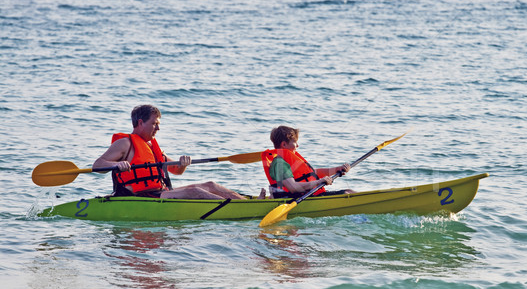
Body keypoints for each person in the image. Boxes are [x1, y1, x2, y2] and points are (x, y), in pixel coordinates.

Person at [93, 104, 246, 199]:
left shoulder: (152, 147)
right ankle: (235, 208)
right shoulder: (125, 143)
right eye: (154, 124)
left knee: (210, 184)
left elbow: (176, 170)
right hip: (140, 196)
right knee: (195, 191)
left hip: (160, 192)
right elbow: (98, 165)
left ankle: (245, 202)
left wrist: (183, 164)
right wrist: (117, 164)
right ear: (140, 123)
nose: (158, 128)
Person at [261, 125, 354, 199]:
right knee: (348, 193)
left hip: (309, 196)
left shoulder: (288, 159)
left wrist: (337, 169)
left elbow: (313, 174)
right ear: (284, 144)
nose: (297, 145)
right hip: (295, 199)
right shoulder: (279, 164)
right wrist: (319, 182)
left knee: (349, 192)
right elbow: (293, 188)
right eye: (295, 142)